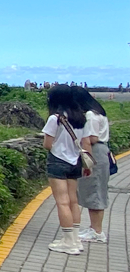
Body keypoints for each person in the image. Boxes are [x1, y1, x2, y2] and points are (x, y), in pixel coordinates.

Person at [41, 85, 91, 254]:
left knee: (62, 202)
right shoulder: (81, 118)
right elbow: (86, 143)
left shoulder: (55, 119)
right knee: (73, 201)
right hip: (75, 161)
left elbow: (47, 145)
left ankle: (68, 242)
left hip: (58, 161)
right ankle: (76, 239)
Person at [72, 87, 111, 243]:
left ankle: (97, 232)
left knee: (95, 190)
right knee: (94, 190)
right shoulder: (98, 112)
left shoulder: (90, 115)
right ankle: (94, 228)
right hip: (101, 151)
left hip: (95, 151)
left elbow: (92, 138)